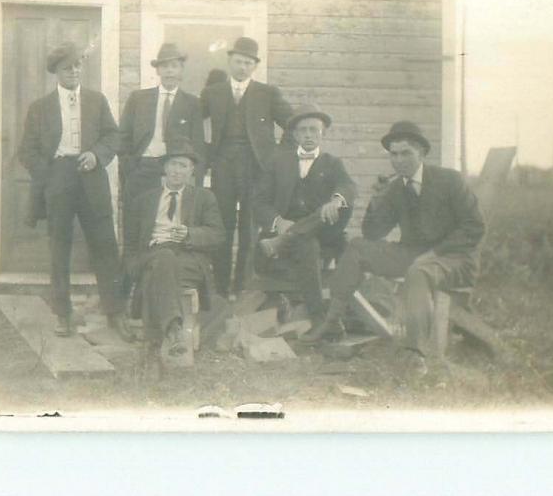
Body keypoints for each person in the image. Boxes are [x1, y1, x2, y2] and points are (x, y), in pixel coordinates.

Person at [301, 121, 485, 367]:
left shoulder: (449, 180)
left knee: (418, 271)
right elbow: (372, 233)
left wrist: (434, 253)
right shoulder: (396, 188)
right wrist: (377, 200)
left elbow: (474, 227)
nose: (398, 160)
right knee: (357, 247)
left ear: (421, 152)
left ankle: (416, 353)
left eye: (405, 153)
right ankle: (331, 320)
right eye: (394, 155)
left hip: (455, 258)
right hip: (413, 254)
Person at [18, 41, 130, 339]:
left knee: (105, 245)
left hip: (92, 177)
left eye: (78, 66)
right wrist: (50, 174)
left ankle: (115, 312)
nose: (74, 72)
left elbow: (113, 136)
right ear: (56, 72)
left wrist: (96, 155)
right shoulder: (40, 108)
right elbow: (26, 151)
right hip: (59, 180)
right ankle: (62, 314)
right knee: (59, 248)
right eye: (67, 68)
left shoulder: (96, 100)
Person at [201, 36, 293, 297]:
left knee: (249, 227)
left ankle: (242, 286)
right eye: (239, 61)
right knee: (223, 224)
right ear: (229, 61)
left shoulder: (267, 93)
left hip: (256, 168)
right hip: (223, 166)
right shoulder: (213, 93)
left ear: (254, 66)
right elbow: (195, 124)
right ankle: (220, 288)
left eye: (248, 63)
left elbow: (293, 123)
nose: (243, 67)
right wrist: (204, 155)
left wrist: (277, 154)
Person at [252, 104, 356, 328]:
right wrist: (278, 221)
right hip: (290, 232)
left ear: (323, 134)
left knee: (319, 225)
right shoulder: (278, 162)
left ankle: (287, 238)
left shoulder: (332, 163)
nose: (308, 135)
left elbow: (348, 186)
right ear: (295, 134)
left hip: (322, 231)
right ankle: (319, 318)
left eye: (314, 130)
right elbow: (259, 201)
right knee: (306, 244)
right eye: (303, 130)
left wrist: (337, 200)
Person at [123, 139, 225, 370]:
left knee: (157, 272)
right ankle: (173, 331)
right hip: (153, 254)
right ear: (165, 168)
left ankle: (153, 345)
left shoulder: (204, 198)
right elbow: (130, 245)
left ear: (191, 171)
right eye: (173, 165)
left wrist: (190, 233)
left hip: (188, 259)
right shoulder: (144, 200)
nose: (177, 170)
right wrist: (132, 267)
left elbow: (218, 235)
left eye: (183, 166)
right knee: (162, 259)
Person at [118, 43, 206, 300]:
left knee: (164, 229)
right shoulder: (139, 98)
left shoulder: (191, 103)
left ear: (181, 70)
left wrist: (193, 181)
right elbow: (123, 137)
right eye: (165, 66)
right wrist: (129, 167)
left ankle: (156, 292)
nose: (169, 71)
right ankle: (125, 293)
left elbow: (198, 145)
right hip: (142, 170)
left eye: (175, 66)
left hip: (173, 173)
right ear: (158, 70)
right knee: (134, 231)